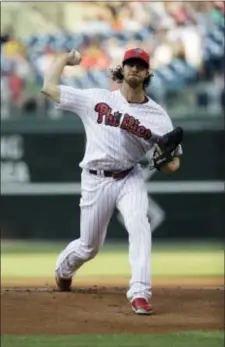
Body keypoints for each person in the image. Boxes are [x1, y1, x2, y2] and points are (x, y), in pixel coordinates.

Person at [41, 47, 181, 315]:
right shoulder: (96, 99)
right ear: (122, 68)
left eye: (140, 65)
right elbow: (48, 87)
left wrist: (166, 161)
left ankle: (140, 292)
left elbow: (173, 163)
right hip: (95, 179)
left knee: (140, 224)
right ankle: (63, 269)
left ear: (147, 72)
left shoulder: (158, 116)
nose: (135, 68)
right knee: (89, 246)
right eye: (130, 63)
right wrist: (65, 60)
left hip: (130, 176)